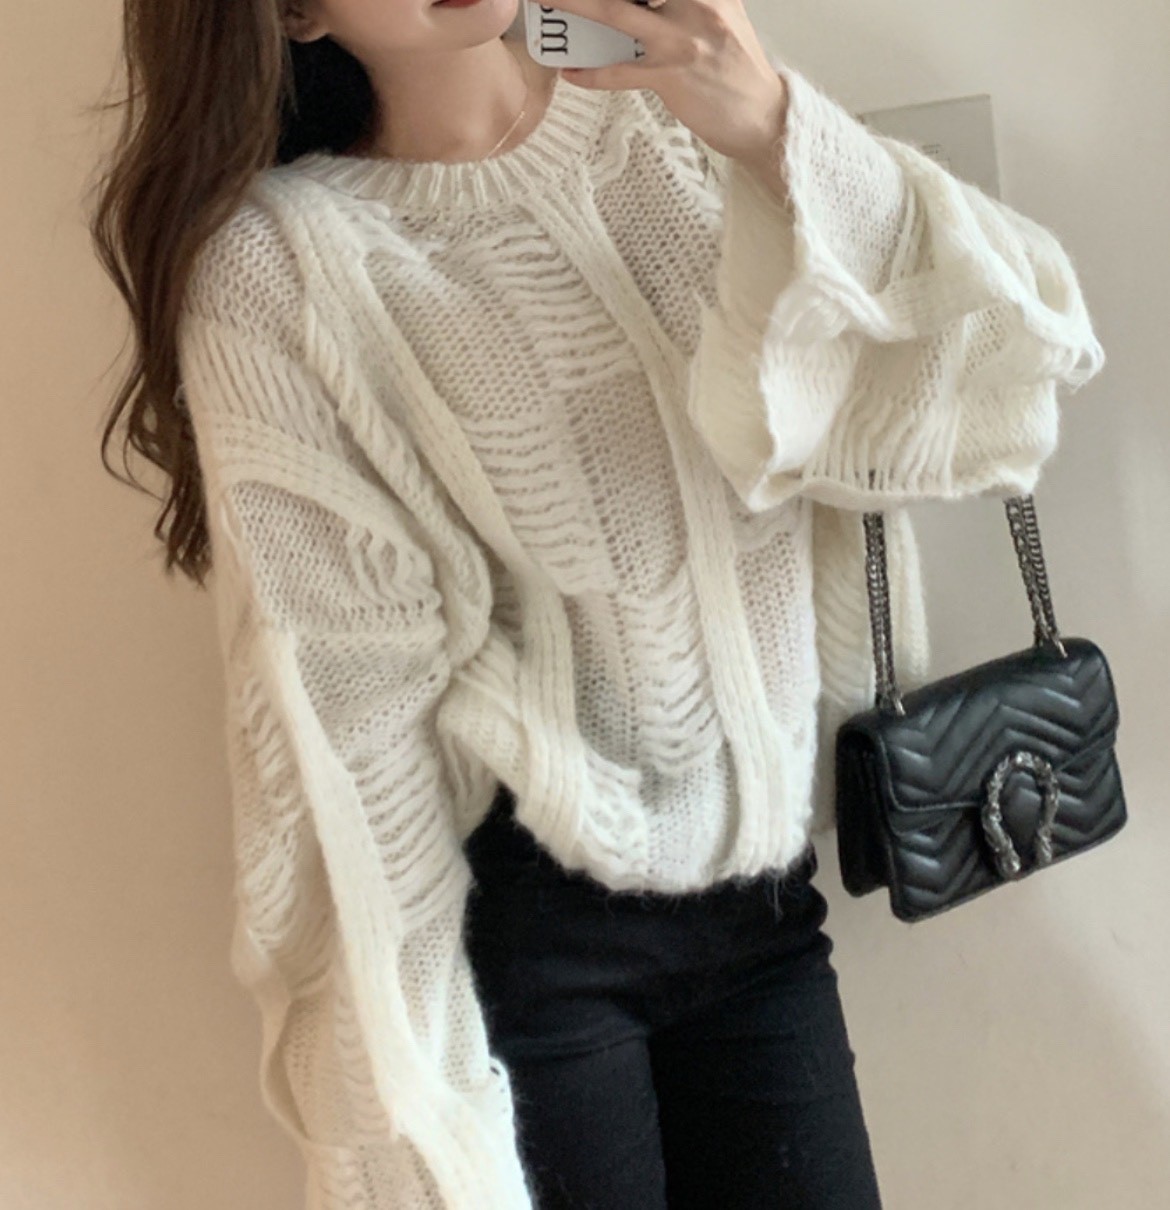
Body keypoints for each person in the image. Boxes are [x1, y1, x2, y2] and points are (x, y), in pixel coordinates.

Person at [87, 0, 1105, 1205]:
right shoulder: (282, 268)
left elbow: (1000, 364)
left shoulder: (677, 116)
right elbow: (354, 719)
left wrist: (774, 128)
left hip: (766, 902)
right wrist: (420, 1100)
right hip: (530, 947)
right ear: (294, 13)